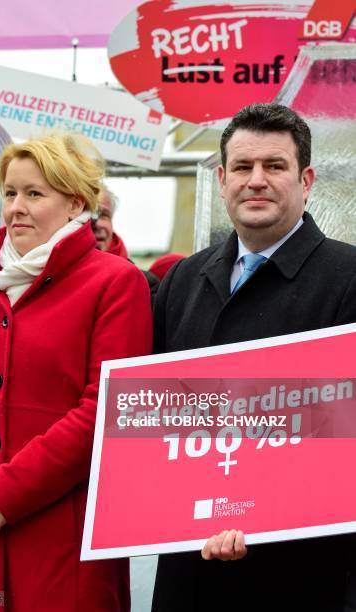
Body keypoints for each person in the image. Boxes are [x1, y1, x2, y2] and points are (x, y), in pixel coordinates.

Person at [0, 133, 152, 611]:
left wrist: (6, 496)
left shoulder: (117, 283)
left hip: (63, 547)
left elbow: (107, 409)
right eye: (10, 193)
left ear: (75, 204)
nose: (16, 207)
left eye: (35, 194)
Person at [152, 103, 356, 612]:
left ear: (306, 180)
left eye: (275, 166)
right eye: (242, 168)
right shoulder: (182, 280)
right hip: (189, 559)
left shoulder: (348, 277)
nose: (256, 180)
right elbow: (152, 411)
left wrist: (258, 510)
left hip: (303, 570)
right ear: (221, 180)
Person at [92, 185, 159, 299]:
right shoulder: (56, 278)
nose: (97, 224)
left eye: (104, 215)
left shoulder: (145, 284)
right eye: (87, 215)